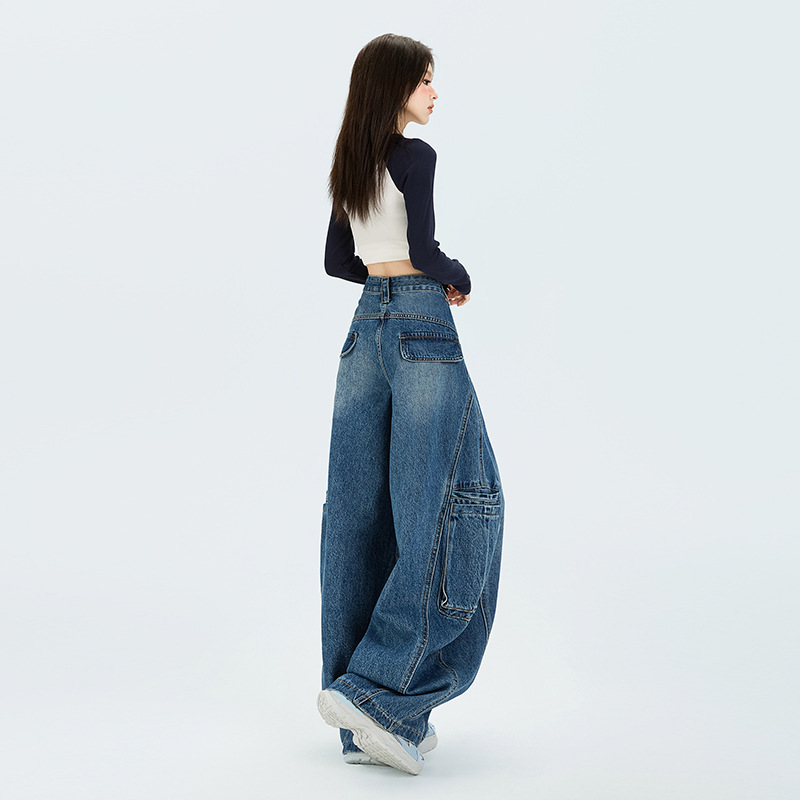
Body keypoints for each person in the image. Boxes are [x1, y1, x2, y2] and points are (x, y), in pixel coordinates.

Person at [317, 33, 505, 776]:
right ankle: (383, 698)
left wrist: (384, 285)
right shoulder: (416, 157)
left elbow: (338, 261)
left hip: (365, 328)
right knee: (450, 502)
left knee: (357, 517)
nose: (433, 92)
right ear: (397, 86)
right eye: (425, 80)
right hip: (423, 324)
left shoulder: (353, 163)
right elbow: (424, 249)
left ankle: (359, 715)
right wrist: (455, 274)